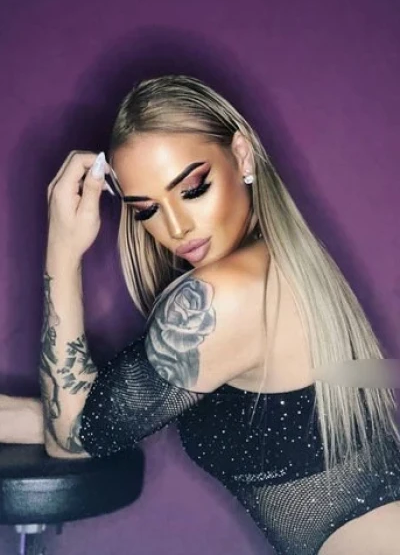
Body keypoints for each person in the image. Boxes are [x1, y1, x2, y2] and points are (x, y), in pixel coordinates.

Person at [1, 75, 400, 554]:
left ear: (243, 155)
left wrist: (62, 251)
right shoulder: (277, 265)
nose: (176, 227)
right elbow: (97, 416)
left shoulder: (226, 294)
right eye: (146, 209)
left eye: (192, 189)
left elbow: (71, 436)